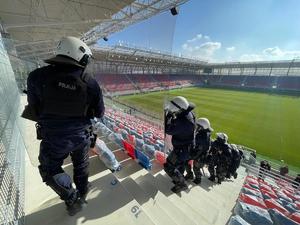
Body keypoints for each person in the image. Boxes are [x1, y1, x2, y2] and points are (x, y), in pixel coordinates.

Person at [26, 36, 105, 216]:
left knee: (49, 169)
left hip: (53, 138)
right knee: (82, 164)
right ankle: (83, 191)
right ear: (80, 56)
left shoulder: (36, 77)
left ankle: (71, 198)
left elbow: (34, 109)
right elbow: (99, 113)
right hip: (82, 136)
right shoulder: (90, 82)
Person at [164, 96, 196, 193]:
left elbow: (168, 130)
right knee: (180, 164)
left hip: (183, 149)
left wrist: (168, 116)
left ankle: (182, 184)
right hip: (186, 146)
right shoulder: (187, 113)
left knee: (169, 166)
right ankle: (179, 178)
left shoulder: (184, 122)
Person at [185, 118, 213, 184]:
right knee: (195, 167)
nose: (197, 127)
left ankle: (197, 179)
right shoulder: (206, 133)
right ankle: (193, 176)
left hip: (199, 156)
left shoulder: (201, 137)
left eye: (198, 126)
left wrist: (192, 156)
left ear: (202, 127)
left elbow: (198, 149)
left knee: (195, 167)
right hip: (202, 155)